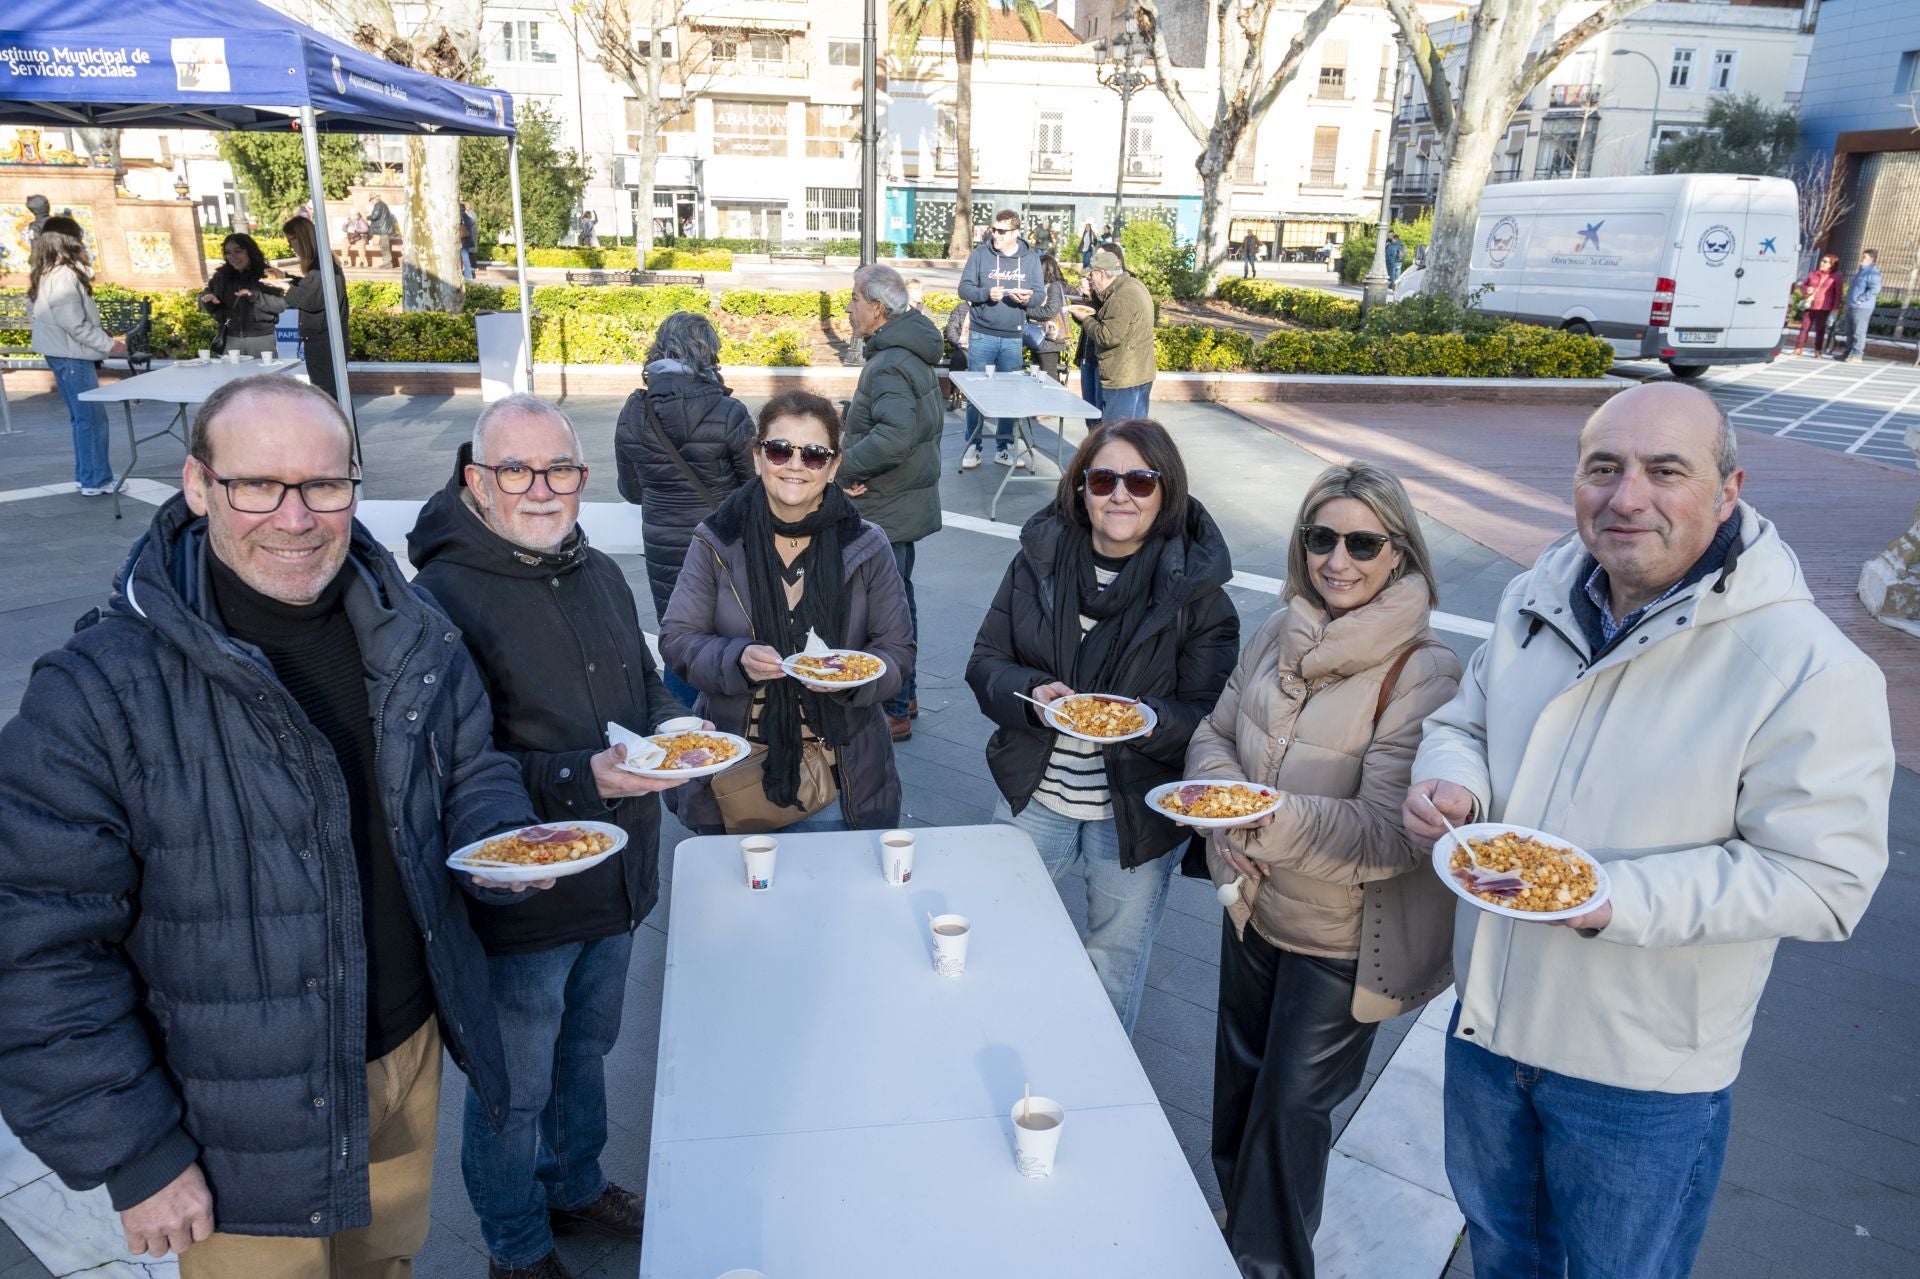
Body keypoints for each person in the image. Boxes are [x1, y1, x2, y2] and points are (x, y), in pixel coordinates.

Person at [0, 374, 549, 1277]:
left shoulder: (410, 631)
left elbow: (472, 769)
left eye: (325, 485)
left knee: (386, 1267)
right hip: (235, 1116)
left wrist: (501, 835)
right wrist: (135, 1151)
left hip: (406, 1057)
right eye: (259, 484)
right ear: (196, 485)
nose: (296, 517)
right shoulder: (99, 690)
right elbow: (36, 948)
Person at [1403, 381, 1893, 1279]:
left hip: (1638, 1081)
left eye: (1666, 470)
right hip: (1487, 1037)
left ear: (1729, 490)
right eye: (1604, 468)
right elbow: (1464, 720)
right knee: (1505, 1258)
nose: (1627, 497)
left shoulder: (1807, 666)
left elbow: (1828, 881)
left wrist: (1609, 897)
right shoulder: (1534, 596)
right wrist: (1452, 782)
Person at [409, 395, 692, 1279]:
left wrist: (675, 729)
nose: (541, 489)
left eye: (559, 469)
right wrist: (586, 777)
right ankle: (515, 1243)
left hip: (617, 874)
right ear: (476, 482)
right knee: (513, 1086)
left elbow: (647, 687)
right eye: (515, 471)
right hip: (523, 894)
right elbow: (452, 769)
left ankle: (573, 1183)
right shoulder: (440, 598)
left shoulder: (599, 570)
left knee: (588, 1045)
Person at [1185, 461, 1461, 1279]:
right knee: (1238, 1090)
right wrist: (1222, 811)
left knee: (1286, 1112)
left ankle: (1269, 1264)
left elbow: (1388, 834)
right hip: (1255, 905)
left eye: (1362, 541)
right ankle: (1239, 1230)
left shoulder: (1424, 669)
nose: (1337, 559)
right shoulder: (1278, 629)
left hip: (1344, 939)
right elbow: (1215, 733)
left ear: (1400, 551)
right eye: (1320, 538)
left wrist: (1256, 821)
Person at [966, 419, 1239, 1031]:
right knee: (990, 927)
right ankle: (990, 1044)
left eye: (1141, 481)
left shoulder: (1198, 596)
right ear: (1080, 488)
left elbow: (1212, 718)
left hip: (1135, 812)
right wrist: (1033, 694)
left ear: (1166, 492)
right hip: (1035, 793)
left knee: (1112, 961)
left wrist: (1147, 721)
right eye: (1104, 478)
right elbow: (985, 663)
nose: (1121, 494)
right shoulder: (1037, 563)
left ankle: (1097, 1091)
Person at [659, 391, 914, 835]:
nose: (795, 465)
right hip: (737, 763)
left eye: (814, 455)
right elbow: (678, 638)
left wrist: (855, 681)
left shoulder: (867, 545)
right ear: (758, 457)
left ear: (833, 467)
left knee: (832, 897)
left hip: (838, 768)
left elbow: (897, 650)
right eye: (779, 450)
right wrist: (736, 659)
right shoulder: (717, 539)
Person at [614, 312, 757, 706]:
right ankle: (732, 730)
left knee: (679, 639)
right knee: (730, 636)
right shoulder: (730, 412)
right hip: (722, 545)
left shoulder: (633, 411)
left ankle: (682, 730)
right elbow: (756, 489)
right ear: (708, 353)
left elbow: (631, 490)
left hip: (663, 547)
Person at [842, 263, 946, 742]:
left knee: (886, 611)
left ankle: (895, 707)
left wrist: (842, 470)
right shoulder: (904, 350)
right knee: (898, 603)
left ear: (877, 308)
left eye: (855, 300)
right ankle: (905, 695)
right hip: (898, 501)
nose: (849, 308)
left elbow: (895, 436)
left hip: (887, 504)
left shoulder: (889, 361)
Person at [27, 214, 124, 496]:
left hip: (61, 353)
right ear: (70, 241)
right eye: (79, 237)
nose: (83, 243)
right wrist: (109, 344)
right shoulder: (65, 275)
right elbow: (74, 324)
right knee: (91, 418)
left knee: (82, 418)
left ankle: (89, 476)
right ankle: (96, 480)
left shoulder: (46, 272)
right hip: (73, 355)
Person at [957, 209, 1050, 470]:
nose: (995, 234)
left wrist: (1027, 299)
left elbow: (1039, 295)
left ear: (1016, 233)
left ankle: (1004, 447)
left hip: (1012, 337)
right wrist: (987, 293)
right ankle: (973, 446)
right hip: (982, 333)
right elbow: (964, 288)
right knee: (977, 393)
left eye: (1001, 231)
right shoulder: (980, 254)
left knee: (1010, 394)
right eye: (993, 229)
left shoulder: (1030, 259)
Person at [1078, 246, 1156, 422]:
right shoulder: (1132, 285)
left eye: (1092, 275)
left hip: (1123, 378)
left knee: (1116, 435)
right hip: (1139, 374)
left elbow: (1108, 337)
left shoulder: (1120, 298)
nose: (1090, 280)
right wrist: (1090, 297)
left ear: (1103, 274)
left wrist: (1085, 319)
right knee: (1135, 434)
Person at [282, 215, 350, 408]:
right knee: (330, 396)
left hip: (325, 343)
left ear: (302, 238)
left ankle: (340, 437)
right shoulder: (322, 266)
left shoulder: (323, 267)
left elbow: (312, 300)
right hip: (324, 341)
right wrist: (288, 279)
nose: (290, 246)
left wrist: (284, 288)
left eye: (291, 240)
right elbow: (312, 290)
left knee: (329, 397)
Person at [198, 233, 287, 357]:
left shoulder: (267, 273)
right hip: (230, 339)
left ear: (250, 252)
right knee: (232, 376)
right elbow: (205, 294)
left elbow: (280, 305)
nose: (232, 257)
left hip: (261, 340)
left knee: (263, 377)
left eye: (238, 251)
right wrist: (207, 299)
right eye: (228, 252)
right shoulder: (221, 276)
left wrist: (254, 295)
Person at [1024, 253, 1070, 381]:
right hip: (1041, 338)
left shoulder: (1054, 287)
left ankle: (1050, 400)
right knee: (1039, 376)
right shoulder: (1048, 286)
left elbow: (1049, 311)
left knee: (1048, 377)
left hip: (1049, 340)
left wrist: (1026, 310)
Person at [1793, 252, 1842, 357]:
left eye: (1825, 262)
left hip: (1824, 307)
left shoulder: (1836, 276)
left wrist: (1835, 309)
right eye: (1822, 261)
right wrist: (1807, 289)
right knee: (1804, 328)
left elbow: (1838, 293)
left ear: (1832, 264)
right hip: (1810, 304)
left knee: (1820, 329)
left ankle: (1817, 350)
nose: (1822, 263)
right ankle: (1798, 348)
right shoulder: (1813, 273)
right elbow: (1803, 285)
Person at [1837, 248, 1881, 362]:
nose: (1861, 259)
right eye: (1862, 256)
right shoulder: (1861, 271)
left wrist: (1860, 300)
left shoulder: (1873, 272)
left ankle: (1857, 355)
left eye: (1864, 257)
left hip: (1862, 307)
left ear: (1871, 259)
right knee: (1850, 331)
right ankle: (1848, 353)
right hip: (1852, 305)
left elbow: (1875, 289)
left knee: (1858, 331)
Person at [366, 195, 399, 268]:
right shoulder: (382, 204)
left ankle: (387, 263)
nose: (371, 202)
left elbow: (375, 216)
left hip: (384, 230)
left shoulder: (378, 205)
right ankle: (386, 262)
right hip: (384, 229)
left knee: (384, 247)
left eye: (371, 200)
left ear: (374, 199)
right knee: (384, 246)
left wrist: (367, 217)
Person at [460, 201, 480, 281]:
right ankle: (468, 275)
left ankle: (468, 275)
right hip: (466, 239)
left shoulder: (463, 215)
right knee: (465, 257)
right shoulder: (466, 215)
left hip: (463, 240)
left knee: (465, 257)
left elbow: (471, 224)